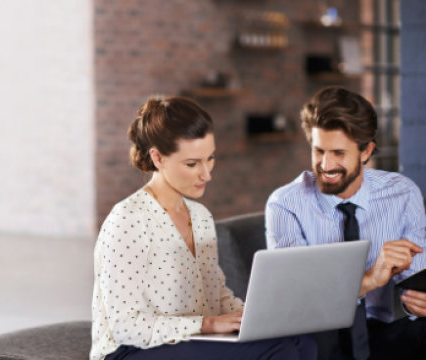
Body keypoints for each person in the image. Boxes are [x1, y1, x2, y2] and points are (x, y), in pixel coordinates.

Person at [90, 96, 317, 360]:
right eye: (191, 164)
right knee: (279, 350)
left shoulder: (200, 217)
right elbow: (125, 327)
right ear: (158, 158)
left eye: (209, 159)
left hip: (190, 338)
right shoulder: (129, 220)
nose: (206, 174)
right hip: (131, 350)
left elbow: (216, 297)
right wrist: (207, 324)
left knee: (301, 341)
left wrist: (254, 317)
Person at [266, 86, 426, 360]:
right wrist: (369, 280)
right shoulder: (285, 203)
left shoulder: (402, 193)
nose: (326, 165)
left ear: (366, 151)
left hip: (378, 332)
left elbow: (417, 281)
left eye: (339, 153)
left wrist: (418, 304)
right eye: (319, 152)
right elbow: (296, 301)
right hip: (315, 337)